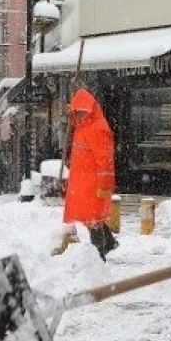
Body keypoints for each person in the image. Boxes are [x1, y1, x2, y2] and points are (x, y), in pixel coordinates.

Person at [63, 88, 117, 260]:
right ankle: (108, 243)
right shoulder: (82, 127)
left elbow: (105, 160)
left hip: (92, 183)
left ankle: (99, 253)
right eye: (76, 112)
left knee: (93, 218)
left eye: (81, 112)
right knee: (89, 218)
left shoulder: (97, 128)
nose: (78, 116)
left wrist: (104, 184)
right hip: (83, 182)